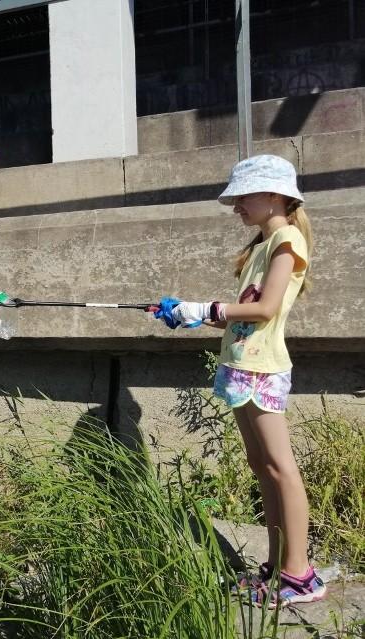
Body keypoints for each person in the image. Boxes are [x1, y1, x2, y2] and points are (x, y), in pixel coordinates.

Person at [157, 154, 325, 609]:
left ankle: (300, 574)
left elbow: (266, 309)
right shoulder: (260, 247)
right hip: (239, 364)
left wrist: (205, 307)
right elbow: (241, 321)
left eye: (242, 197)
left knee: (281, 468)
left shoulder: (287, 241)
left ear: (274, 195)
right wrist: (189, 317)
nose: (235, 206)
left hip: (262, 369)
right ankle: (274, 567)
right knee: (261, 466)